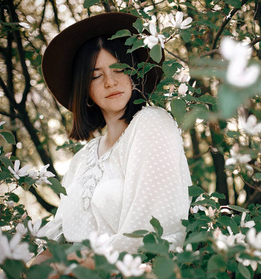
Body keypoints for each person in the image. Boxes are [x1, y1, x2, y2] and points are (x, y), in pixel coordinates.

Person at [37, 12, 191, 264]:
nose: (110, 82)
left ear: (134, 73)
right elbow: (60, 231)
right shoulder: (81, 158)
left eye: (119, 68)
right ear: (84, 90)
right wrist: (36, 266)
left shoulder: (152, 123)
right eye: (96, 75)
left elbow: (152, 230)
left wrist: (77, 262)